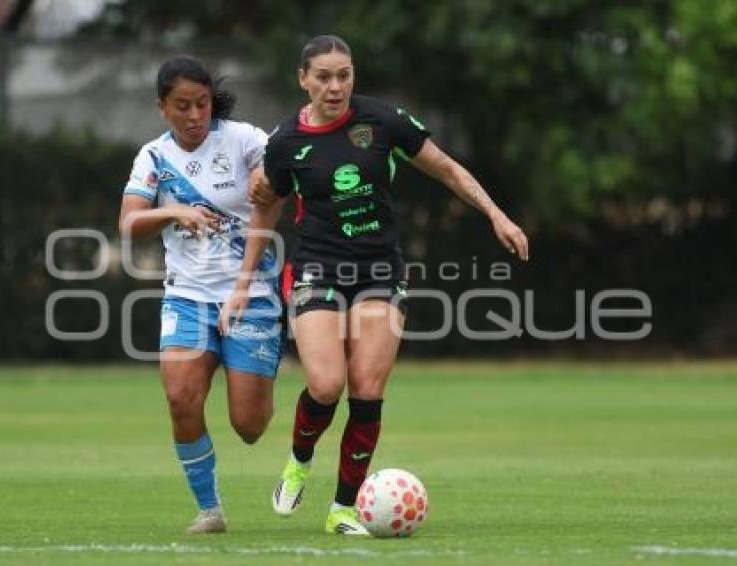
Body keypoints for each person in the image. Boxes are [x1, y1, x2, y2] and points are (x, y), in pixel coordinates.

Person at [220, 35, 529, 536]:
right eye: (323, 76)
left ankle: (342, 509)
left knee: (366, 389)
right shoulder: (285, 143)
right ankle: (299, 462)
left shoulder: (382, 121)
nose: (335, 85)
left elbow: (447, 169)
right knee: (325, 384)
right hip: (316, 269)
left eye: (344, 74)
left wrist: (496, 214)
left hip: (380, 273)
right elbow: (265, 207)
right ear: (303, 79)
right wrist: (242, 283)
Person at [118, 55, 282, 535]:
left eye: (203, 104)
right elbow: (128, 222)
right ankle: (210, 511)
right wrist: (174, 212)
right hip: (186, 297)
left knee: (249, 426)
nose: (195, 116)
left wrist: (269, 180)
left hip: (252, 295)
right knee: (180, 398)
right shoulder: (153, 156)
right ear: (162, 107)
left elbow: (283, 180)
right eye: (183, 106)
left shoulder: (246, 140)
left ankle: (262, 368)